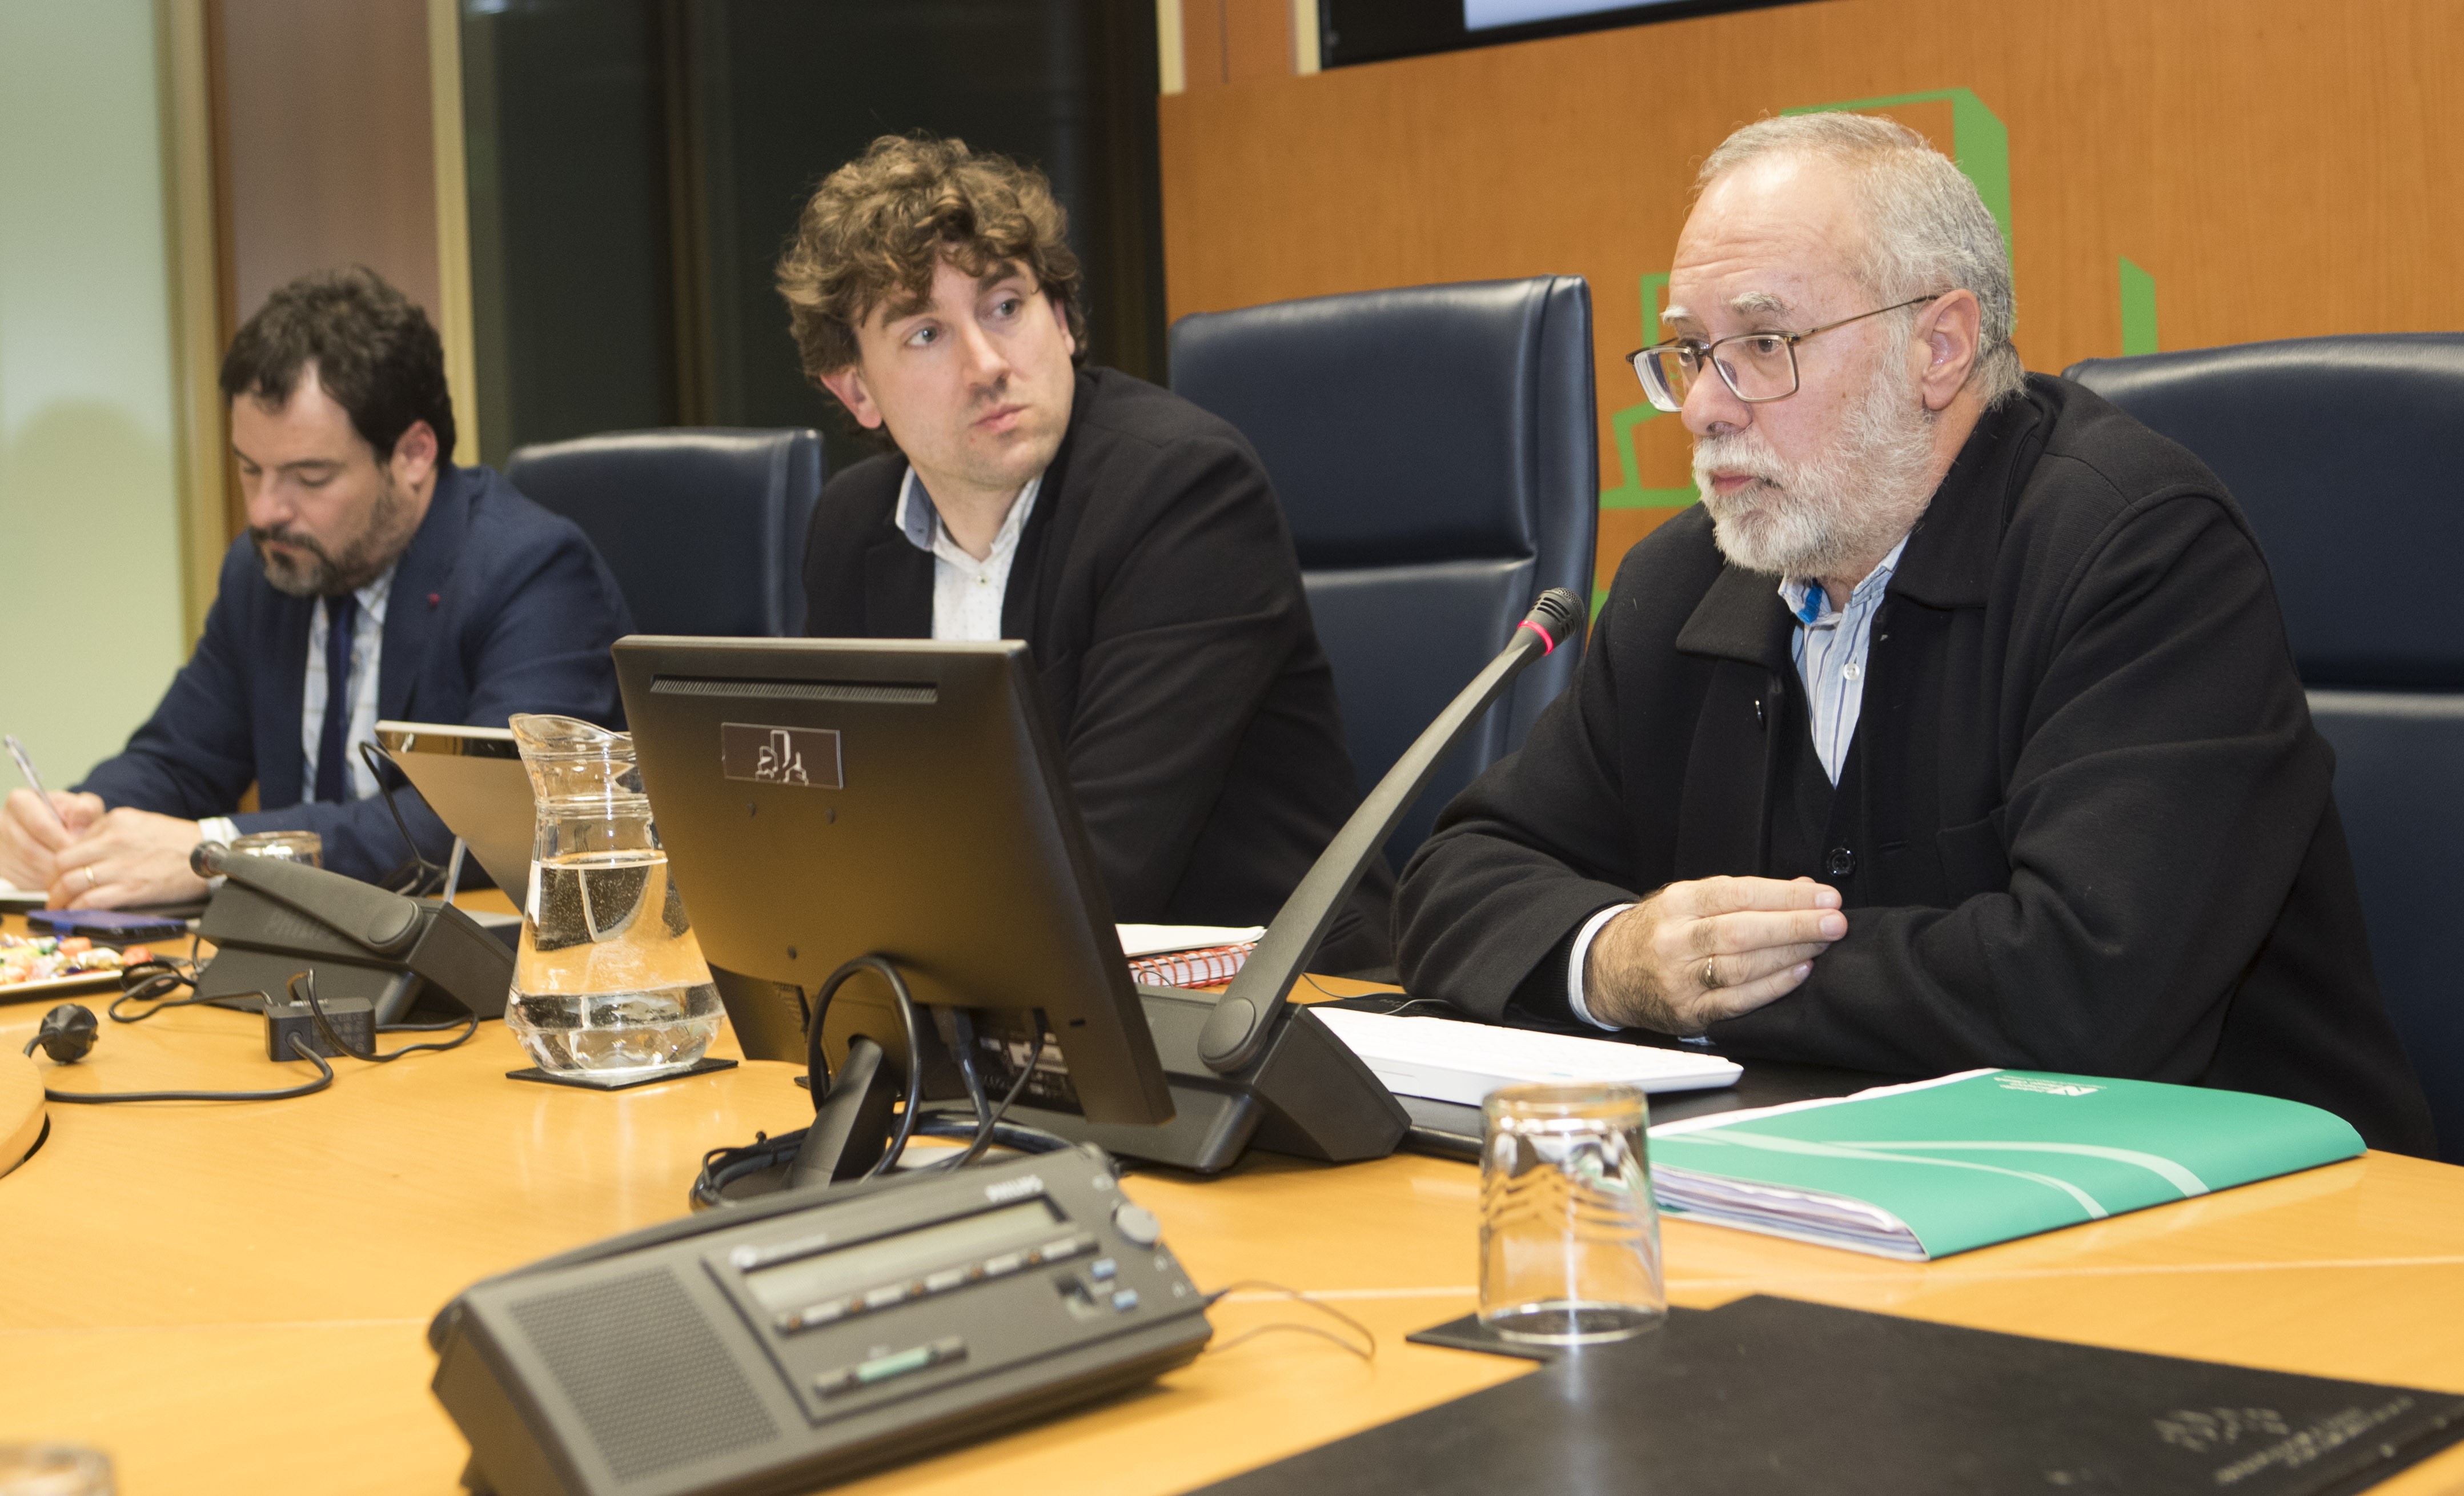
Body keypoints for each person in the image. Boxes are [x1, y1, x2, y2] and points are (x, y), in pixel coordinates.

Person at [1394, 114, 2437, 1154]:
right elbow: (1460, 877)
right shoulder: (1680, 581)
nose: (1704, 405)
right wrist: (1618, 959)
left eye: (1761, 345)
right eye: (1690, 351)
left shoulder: (2138, 550)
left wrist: (1717, 981)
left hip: (2235, 1198)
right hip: (1835, 1179)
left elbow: (2089, 990)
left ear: (1936, 347)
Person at [780, 134, 1391, 972]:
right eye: (926, 333)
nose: (987, 364)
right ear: (856, 389)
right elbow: (827, 827)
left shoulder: (1182, 491)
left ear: (1062, 321)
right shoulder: (853, 530)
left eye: (1005, 306)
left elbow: (1101, 865)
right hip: (996, 999)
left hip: (1276, 1003)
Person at [0, 267, 632, 908]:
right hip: (302, 952)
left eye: (309, 477)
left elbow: (490, 823)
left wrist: (222, 851)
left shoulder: (532, 571)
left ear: (414, 455)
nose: (265, 511)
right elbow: (179, 761)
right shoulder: (264, 571)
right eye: (250, 470)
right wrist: (80, 820)